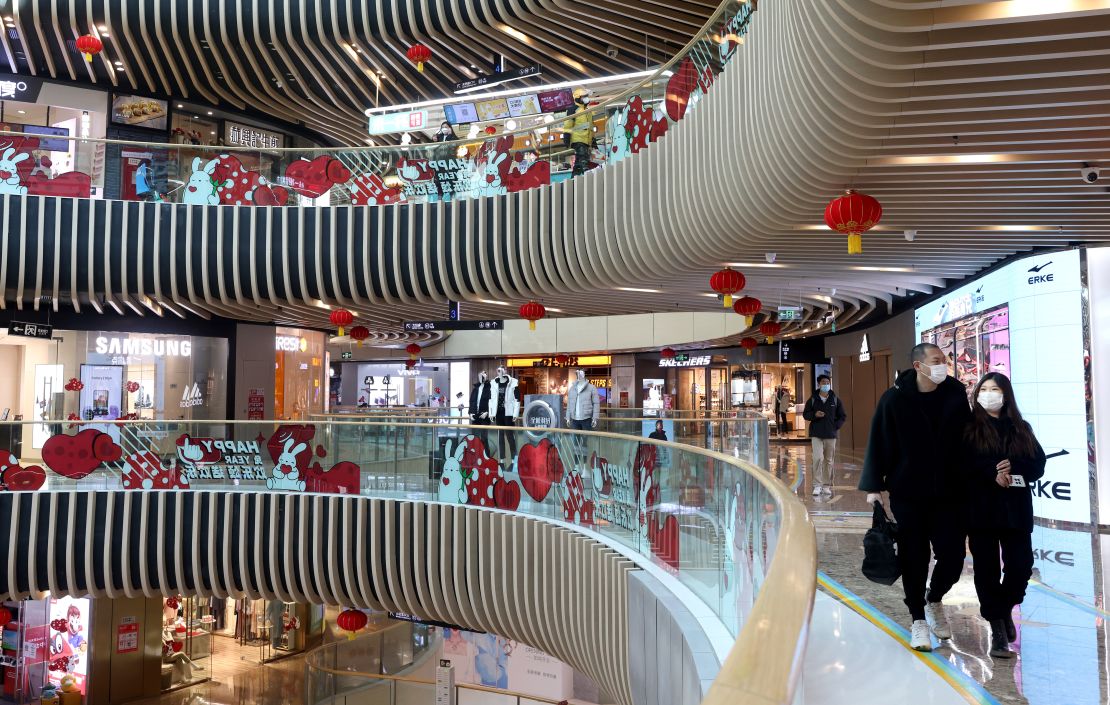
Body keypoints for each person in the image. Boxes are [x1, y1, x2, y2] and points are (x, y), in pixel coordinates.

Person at [858, 343, 972, 651]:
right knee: (914, 556)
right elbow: (879, 442)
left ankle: (934, 598)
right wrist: (874, 487)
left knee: (953, 556)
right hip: (909, 493)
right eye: (937, 360)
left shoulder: (955, 393)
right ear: (919, 366)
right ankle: (918, 619)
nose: (943, 365)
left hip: (950, 492)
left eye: (945, 360)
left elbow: (968, 439)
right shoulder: (894, 399)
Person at [961, 373, 1045, 659]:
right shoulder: (968, 428)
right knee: (986, 570)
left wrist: (1015, 468)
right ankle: (997, 628)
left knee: (1021, 567)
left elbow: (1038, 465)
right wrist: (990, 473)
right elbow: (961, 467)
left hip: (1016, 511)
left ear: (1005, 394)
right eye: (983, 389)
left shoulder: (1021, 428)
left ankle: (1005, 607)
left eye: (994, 389)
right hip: (981, 511)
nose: (988, 394)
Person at [802, 375, 847, 497]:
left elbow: (843, 416)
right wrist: (815, 414)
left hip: (830, 435)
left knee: (829, 460)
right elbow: (805, 414)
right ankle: (817, 485)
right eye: (823, 382)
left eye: (828, 382)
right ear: (819, 384)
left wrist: (835, 426)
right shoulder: (813, 399)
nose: (826, 384)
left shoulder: (835, 399)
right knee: (817, 458)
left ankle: (826, 485)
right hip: (816, 434)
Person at [432, 121, 457, 201]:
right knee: (439, 180)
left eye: (446, 127)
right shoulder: (439, 137)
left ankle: (452, 196)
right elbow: (433, 143)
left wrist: (450, 135)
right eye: (443, 127)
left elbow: (455, 144)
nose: (444, 129)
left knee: (451, 179)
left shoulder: (454, 137)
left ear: (450, 128)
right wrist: (434, 138)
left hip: (450, 162)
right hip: (439, 162)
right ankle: (439, 197)